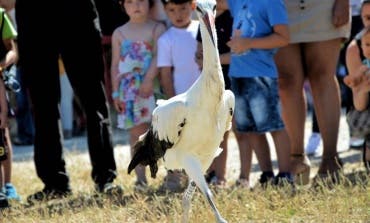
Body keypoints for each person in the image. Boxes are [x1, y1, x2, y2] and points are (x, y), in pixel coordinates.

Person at [15, 0, 123, 202]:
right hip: (33, 14)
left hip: (76, 9)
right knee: (43, 103)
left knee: (93, 100)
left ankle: (106, 178)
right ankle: (54, 183)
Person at [275, 0, 350, 185]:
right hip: (278, 5)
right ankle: (296, 159)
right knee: (286, 81)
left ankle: (330, 159)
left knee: (322, 76)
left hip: (323, 5)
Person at [226, 0, 293, 187]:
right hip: (237, 74)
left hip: (261, 75)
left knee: (274, 126)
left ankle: (286, 175)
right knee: (250, 129)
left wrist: (249, 43)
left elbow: (283, 37)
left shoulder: (272, 2)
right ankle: (267, 175)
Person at [111, 0, 166, 188]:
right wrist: (115, 93)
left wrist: (149, 79)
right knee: (136, 135)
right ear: (122, 5)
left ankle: (171, 174)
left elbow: (160, 55)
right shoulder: (119, 33)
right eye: (130, 1)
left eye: (141, 0)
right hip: (129, 92)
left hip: (153, 87)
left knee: (163, 132)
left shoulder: (157, 28)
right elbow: (115, 64)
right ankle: (140, 179)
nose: (136, 5)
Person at [157, 0, 200, 192]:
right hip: (180, 99)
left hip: (202, 97)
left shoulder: (203, 30)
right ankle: (174, 175)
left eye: (183, 8)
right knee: (177, 138)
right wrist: (172, 101)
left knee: (201, 137)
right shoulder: (166, 39)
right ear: (165, 11)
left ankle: (205, 175)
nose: (178, 14)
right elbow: (165, 73)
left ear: (192, 7)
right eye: (172, 10)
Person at [0, 0, 34, 146]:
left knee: (21, 102)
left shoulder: (3, 15)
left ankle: (27, 134)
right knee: (19, 103)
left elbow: (13, 51)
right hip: (13, 66)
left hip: (16, 66)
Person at [0, 6, 20, 202]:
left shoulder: (0, 15)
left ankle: (8, 185)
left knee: (2, 132)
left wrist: (1, 65)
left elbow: (13, 52)